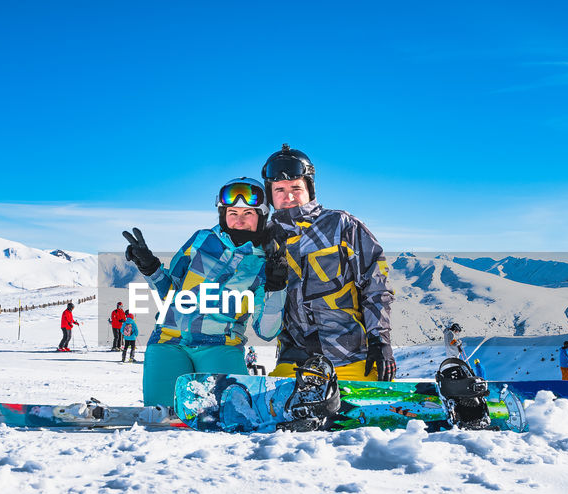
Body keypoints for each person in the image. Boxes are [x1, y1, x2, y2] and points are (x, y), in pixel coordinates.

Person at [121, 177, 285, 405]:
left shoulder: (266, 263)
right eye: (232, 212)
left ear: (262, 215)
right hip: (167, 342)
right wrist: (150, 267)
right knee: (162, 421)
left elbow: (267, 331)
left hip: (220, 346)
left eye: (248, 213)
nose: (239, 220)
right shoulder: (201, 240)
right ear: (222, 213)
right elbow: (171, 291)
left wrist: (276, 288)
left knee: (230, 418)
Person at [262, 144, 394, 381]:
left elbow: (376, 285)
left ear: (310, 189)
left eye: (296, 187)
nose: (288, 196)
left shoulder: (342, 226)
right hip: (295, 362)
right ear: (270, 194)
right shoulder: (266, 239)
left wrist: (380, 340)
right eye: (279, 189)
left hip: (351, 358)